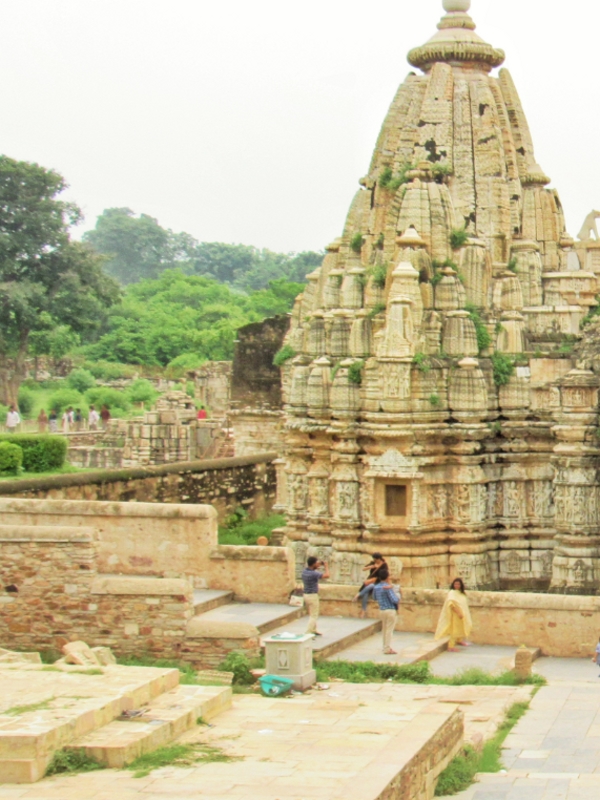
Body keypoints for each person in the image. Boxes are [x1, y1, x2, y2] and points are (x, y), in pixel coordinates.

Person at [434, 578, 472, 652]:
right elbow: (451, 604)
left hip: (463, 613)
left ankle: (459, 640)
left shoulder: (461, 593)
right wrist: (458, 613)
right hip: (455, 614)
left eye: (458, 584)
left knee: (464, 626)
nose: (457, 585)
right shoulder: (452, 593)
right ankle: (450, 646)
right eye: (455, 584)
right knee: (455, 630)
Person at [373, 567, 400, 655]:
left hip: (382, 609)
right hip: (390, 610)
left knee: (384, 629)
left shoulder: (376, 587)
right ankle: (387, 648)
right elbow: (395, 599)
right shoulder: (387, 587)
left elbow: (374, 597)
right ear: (387, 577)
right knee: (389, 630)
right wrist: (392, 588)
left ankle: (385, 646)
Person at [301, 556, 330, 636]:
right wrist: (326, 566)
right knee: (314, 615)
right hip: (312, 595)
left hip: (306, 595)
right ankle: (308, 632)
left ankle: (313, 629)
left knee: (312, 613)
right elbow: (327, 575)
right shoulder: (313, 574)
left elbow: (314, 568)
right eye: (317, 563)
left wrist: (319, 564)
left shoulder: (304, 572)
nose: (318, 564)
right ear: (313, 564)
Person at [353, 553, 387, 618]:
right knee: (366, 592)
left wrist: (375, 579)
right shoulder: (373, 563)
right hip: (370, 580)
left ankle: (358, 594)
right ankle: (363, 610)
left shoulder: (384, 565)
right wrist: (372, 566)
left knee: (371, 586)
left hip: (378, 581)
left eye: (376, 559)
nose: (375, 560)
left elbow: (384, 575)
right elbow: (364, 568)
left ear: (379, 559)